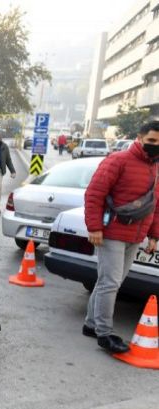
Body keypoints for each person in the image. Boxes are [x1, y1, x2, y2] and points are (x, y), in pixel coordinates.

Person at [82, 120, 159, 354]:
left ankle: (90, 324)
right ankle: (104, 334)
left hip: (136, 234)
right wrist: (94, 227)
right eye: (152, 141)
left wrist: (154, 236)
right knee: (110, 282)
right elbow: (94, 194)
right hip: (113, 232)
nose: (155, 146)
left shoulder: (156, 167)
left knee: (109, 281)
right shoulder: (118, 160)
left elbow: (156, 204)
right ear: (139, 138)